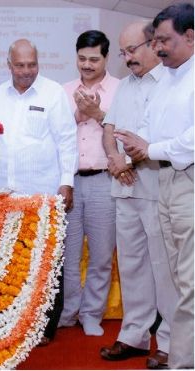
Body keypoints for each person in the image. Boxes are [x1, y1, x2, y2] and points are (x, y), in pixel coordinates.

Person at [0, 39, 77, 345]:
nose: (26, 71)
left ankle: (45, 326)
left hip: (44, 193)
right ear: (8, 65)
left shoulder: (53, 93)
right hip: (5, 194)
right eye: (20, 65)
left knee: (46, 262)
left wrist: (67, 182)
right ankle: (12, 320)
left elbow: (66, 139)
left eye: (32, 64)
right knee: (9, 260)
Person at [115, 3, 194, 369]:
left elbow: (189, 141)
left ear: (190, 37)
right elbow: (147, 126)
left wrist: (149, 148)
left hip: (186, 180)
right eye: (156, 41)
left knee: (185, 281)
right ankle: (179, 356)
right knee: (178, 278)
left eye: (163, 40)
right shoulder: (171, 78)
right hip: (164, 179)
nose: (158, 48)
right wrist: (129, 146)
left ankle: (179, 358)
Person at [100, 21, 178, 369]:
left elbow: (159, 137)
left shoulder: (171, 82)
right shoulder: (126, 86)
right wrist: (114, 160)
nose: (127, 58)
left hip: (155, 186)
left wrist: (127, 159)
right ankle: (133, 335)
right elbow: (109, 129)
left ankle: (172, 341)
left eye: (132, 50)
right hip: (124, 187)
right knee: (131, 267)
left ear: (152, 44)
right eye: (123, 53)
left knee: (164, 269)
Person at [59, 30, 120, 336]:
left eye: (94, 59)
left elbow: (127, 132)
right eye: (82, 58)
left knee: (100, 254)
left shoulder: (121, 90)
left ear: (106, 58)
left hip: (103, 181)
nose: (87, 64)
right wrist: (78, 113)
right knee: (68, 254)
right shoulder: (64, 90)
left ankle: (92, 314)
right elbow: (55, 135)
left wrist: (98, 113)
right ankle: (69, 311)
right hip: (70, 181)